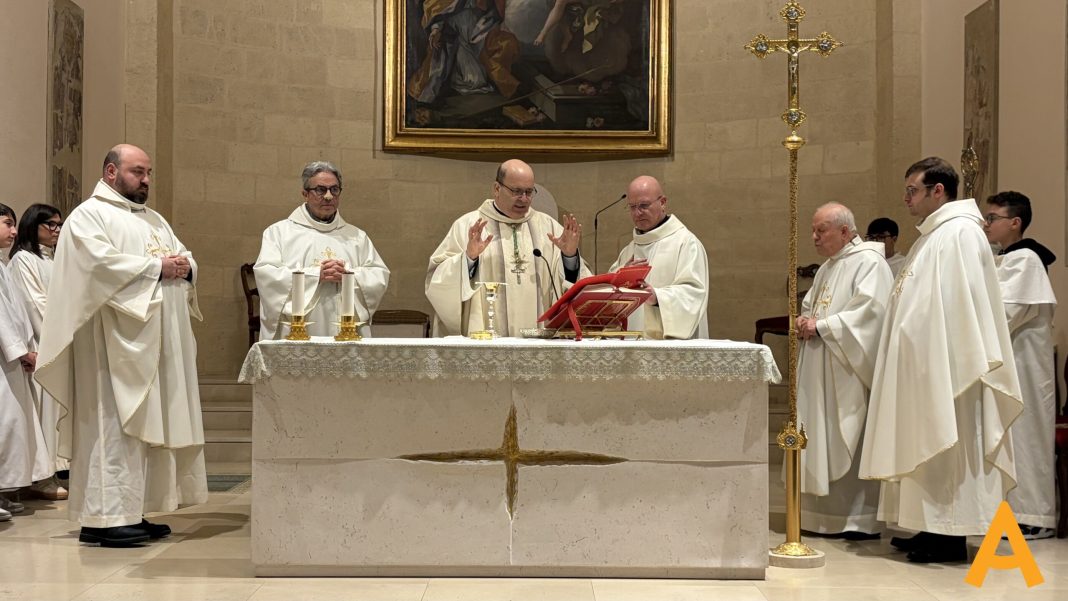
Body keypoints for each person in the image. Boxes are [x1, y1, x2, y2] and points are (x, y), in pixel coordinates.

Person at [35, 144, 208, 547]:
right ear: (111, 172)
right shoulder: (89, 216)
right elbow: (96, 267)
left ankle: (130, 510)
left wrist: (186, 267)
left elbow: (179, 256)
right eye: (137, 172)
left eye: (148, 172)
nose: (145, 180)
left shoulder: (154, 220)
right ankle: (105, 517)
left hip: (150, 343)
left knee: (141, 431)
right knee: (110, 427)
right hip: (110, 348)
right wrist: (157, 268)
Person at [859, 157, 1022, 563]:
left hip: (952, 367)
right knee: (927, 444)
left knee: (949, 444)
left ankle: (949, 533)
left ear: (938, 190)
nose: (906, 198)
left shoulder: (960, 234)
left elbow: (961, 306)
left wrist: (929, 349)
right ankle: (929, 525)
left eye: (912, 190)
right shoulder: (934, 236)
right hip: (924, 363)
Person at [794, 203, 892, 538]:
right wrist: (805, 320)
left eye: (821, 230)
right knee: (817, 432)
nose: (814, 237)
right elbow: (812, 306)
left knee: (846, 431)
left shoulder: (869, 263)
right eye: (814, 229)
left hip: (847, 368)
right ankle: (819, 516)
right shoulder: (828, 267)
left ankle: (856, 519)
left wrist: (822, 326)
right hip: (820, 364)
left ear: (845, 231)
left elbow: (870, 315)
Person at [426, 159, 588, 336]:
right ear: (497, 188)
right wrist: (469, 259)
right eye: (517, 191)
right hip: (486, 343)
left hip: (539, 341)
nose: (524, 199)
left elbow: (577, 288)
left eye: (529, 192)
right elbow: (437, 281)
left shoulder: (548, 228)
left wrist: (570, 257)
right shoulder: (468, 226)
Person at [983, 191, 1057, 540]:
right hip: (1008, 364)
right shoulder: (1003, 258)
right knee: (1010, 439)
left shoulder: (1025, 259)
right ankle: (1009, 514)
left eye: (993, 217)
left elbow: (1007, 313)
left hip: (1025, 366)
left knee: (1026, 438)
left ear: (1015, 222)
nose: (987, 223)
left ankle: (1035, 515)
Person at [254, 161, 390, 340]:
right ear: (305, 194)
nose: (328, 196)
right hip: (297, 333)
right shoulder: (278, 233)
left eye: (334, 190)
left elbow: (379, 275)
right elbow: (267, 276)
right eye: (320, 190)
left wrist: (348, 275)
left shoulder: (357, 236)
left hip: (347, 332)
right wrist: (315, 275)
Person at [8, 203, 69, 501]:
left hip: (60, 343)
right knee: (43, 413)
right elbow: (35, 305)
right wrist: (59, 337)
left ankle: (55, 471)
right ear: (35, 226)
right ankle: (42, 477)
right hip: (42, 345)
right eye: (51, 225)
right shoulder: (23, 260)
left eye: (60, 225)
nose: (57, 230)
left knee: (55, 412)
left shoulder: (54, 259)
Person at [607, 176, 708, 339]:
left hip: (671, 350)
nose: (637, 213)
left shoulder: (686, 243)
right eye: (632, 207)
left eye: (644, 205)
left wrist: (657, 296)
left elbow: (694, 294)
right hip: (631, 346)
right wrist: (620, 277)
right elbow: (608, 294)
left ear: (662, 202)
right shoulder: (629, 250)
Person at [0, 203, 51, 521]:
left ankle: (5, 490)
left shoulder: (3, 266)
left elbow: (15, 314)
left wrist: (27, 347)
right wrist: (19, 350)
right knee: (5, 425)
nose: (14, 231)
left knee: (12, 426)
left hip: (10, 358)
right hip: (6, 356)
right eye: (7, 223)